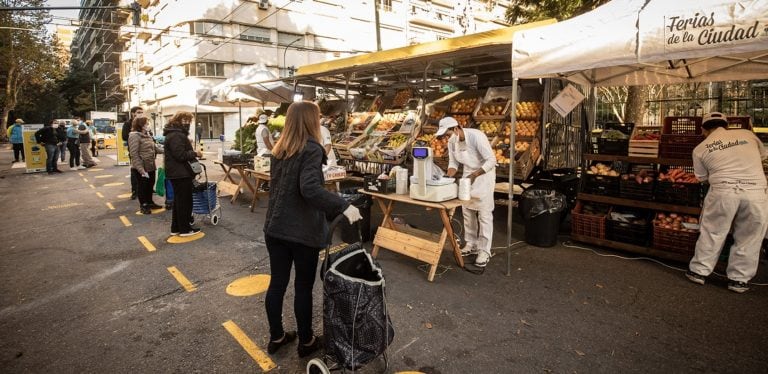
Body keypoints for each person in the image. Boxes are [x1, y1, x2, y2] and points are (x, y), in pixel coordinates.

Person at [262, 101, 362, 357]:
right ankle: (306, 341)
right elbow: (309, 189)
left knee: (277, 284)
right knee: (303, 287)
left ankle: (277, 337)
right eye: (317, 117)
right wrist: (343, 206)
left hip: (275, 227)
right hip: (300, 231)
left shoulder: (279, 149)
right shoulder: (311, 149)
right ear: (311, 121)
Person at [686, 112, 768, 293]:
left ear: (703, 130)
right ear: (727, 125)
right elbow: (762, 156)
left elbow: (702, 178)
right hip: (755, 191)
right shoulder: (748, 135)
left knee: (713, 231)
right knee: (750, 235)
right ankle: (739, 280)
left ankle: (699, 272)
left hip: (723, 191)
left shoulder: (700, 149)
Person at [437, 116, 496, 270]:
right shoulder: (452, 142)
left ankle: (484, 250)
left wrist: (474, 176)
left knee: (484, 214)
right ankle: (471, 243)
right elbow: (453, 163)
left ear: (456, 129)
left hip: (483, 174)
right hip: (467, 176)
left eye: (448, 134)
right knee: (467, 210)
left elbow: (491, 160)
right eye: (445, 136)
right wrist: (447, 177)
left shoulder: (477, 136)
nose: (447, 138)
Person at [164, 111, 203, 237]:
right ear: (177, 120)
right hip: (181, 173)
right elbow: (180, 155)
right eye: (184, 120)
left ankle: (176, 227)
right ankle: (185, 229)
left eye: (188, 121)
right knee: (184, 202)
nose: (187, 123)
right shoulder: (176, 135)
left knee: (179, 201)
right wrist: (195, 153)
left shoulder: (174, 133)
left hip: (178, 173)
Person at [129, 116, 164, 214]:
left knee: (150, 185)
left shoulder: (148, 135)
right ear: (140, 125)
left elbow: (155, 148)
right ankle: (143, 205)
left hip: (150, 165)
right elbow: (134, 154)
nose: (148, 125)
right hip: (141, 166)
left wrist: (167, 151)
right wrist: (141, 169)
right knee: (142, 186)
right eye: (146, 123)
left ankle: (150, 202)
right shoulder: (134, 136)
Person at [123, 106, 145, 200]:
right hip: (135, 150)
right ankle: (135, 190)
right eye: (139, 112)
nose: (140, 113)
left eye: (142, 112)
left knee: (146, 170)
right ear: (133, 113)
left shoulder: (143, 122)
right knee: (135, 170)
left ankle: (146, 189)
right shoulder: (128, 124)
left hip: (145, 151)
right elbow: (124, 136)